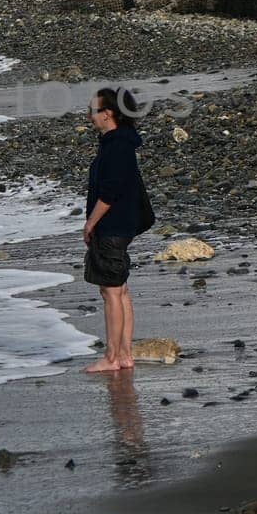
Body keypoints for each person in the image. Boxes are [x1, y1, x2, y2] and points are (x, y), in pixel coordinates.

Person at [82, 86, 150, 373]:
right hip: (121, 225)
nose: (89, 117)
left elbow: (110, 191)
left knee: (111, 291)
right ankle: (124, 355)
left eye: (93, 111)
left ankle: (112, 357)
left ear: (108, 113)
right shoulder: (119, 142)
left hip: (113, 226)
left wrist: (90, 223)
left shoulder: (117, 145)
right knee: (119, 290)